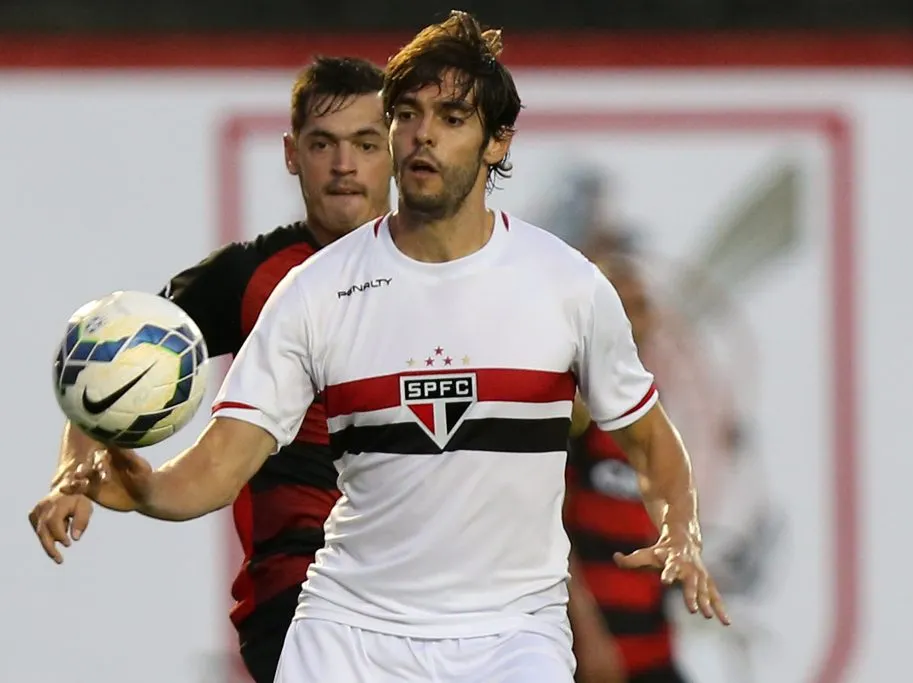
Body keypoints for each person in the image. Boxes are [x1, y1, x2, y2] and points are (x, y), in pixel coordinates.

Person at [62, 11, 729, 682]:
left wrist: (682, 528)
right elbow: (222, 461)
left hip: (511, 637)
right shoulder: (315, 291)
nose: (422, 135)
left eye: (451, 118)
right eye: (407, 114)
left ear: (498, 143)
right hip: (347, 634)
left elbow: (650, 441)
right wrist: (149, 489)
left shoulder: (566, 287)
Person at [28, 56, 393, 683]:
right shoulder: (251, 278)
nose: (343, 166)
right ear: (290, 153)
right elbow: (111, 358)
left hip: (430, 592)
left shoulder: (451, 275)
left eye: (365, 143)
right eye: (322, 144)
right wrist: (72, 473)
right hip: (302, 590)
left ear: (395, 149)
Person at [565, 250, 691, 683]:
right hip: (600, 655)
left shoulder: (649, 409)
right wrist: (589, 637)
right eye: (621, 305)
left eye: (641, 306)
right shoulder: (574, 412)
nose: (636, 320)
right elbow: (544, 530)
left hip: (653, 649)